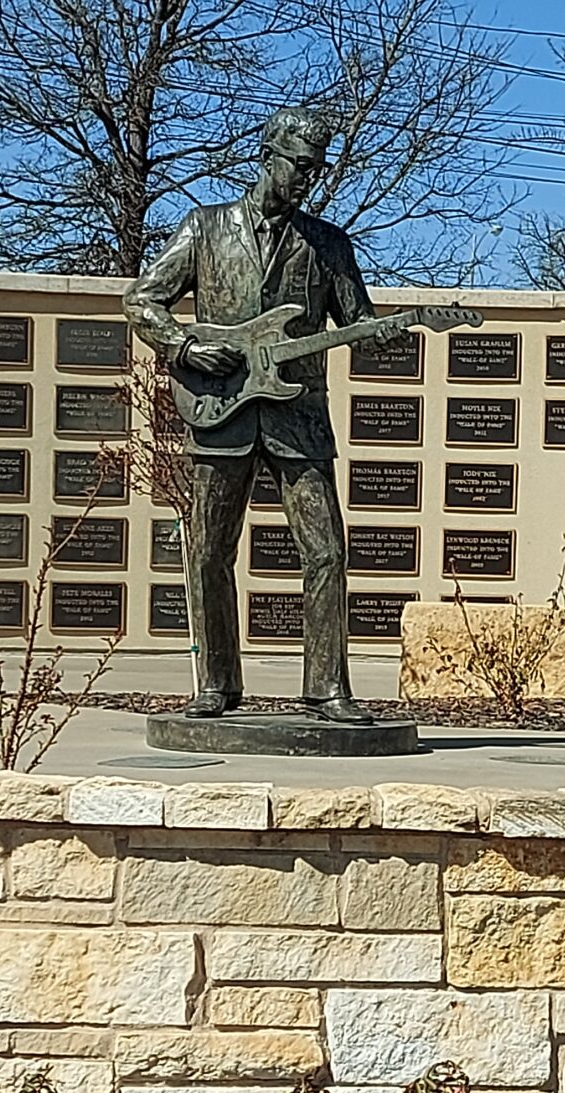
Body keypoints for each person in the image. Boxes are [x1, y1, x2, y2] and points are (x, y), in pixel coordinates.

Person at [123, 105, 375, 723]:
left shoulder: (328, 245)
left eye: (315, 171)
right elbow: (141, 298)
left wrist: (386, 331)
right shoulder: (204, 228)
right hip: (222, 414)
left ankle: (327, 689)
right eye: (299, 167)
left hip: (298, 420)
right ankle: (216, 684)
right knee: (208, 549)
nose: (307, 181)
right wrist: (183, 346)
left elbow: (358, 323)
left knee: (326, 551)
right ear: (268, 157)